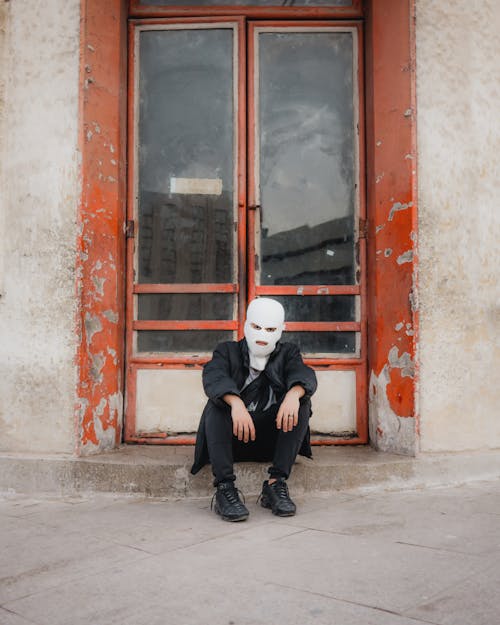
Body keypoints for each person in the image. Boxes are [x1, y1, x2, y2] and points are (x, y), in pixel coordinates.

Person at [191, 297, 317, 522]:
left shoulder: (288, 353)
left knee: (302, 402)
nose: (262, 334)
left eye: (270, 329)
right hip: (232, 442)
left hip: (271, 442)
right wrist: (236, 403)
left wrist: (294, 394)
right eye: (257, 327)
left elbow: (303, 374)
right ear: (246, 325)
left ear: (281, 330)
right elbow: (214, 376)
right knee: (216, 405)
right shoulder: (226, 351)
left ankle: (275, 483)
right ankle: (225, 488)